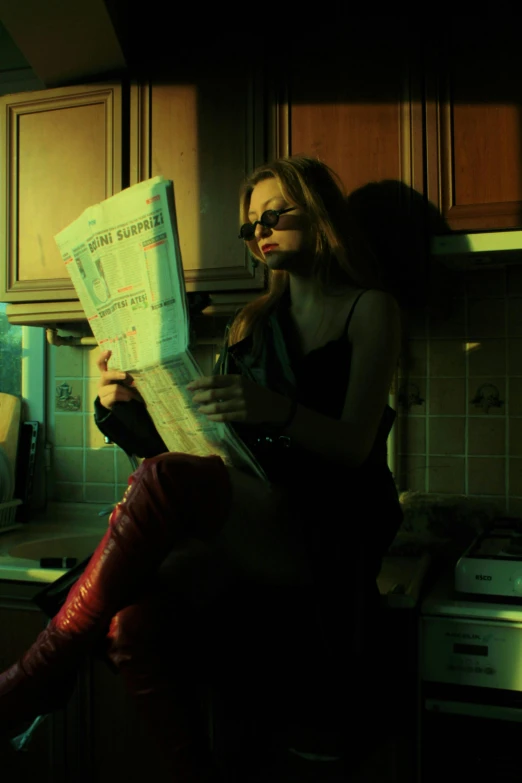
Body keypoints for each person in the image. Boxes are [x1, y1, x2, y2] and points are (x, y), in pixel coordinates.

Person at [0, 156, 404, 780]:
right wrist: (120, 402)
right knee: (131, 624)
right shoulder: (253, 324)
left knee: (164, 484)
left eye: (274, 215)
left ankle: (31, 680)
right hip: (253, 519)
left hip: (324, 532)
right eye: (250, 226)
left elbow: (354, 446)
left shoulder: (369, 309)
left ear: (319, 214)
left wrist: (276, 409)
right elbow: (211, 447)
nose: (259, 232)